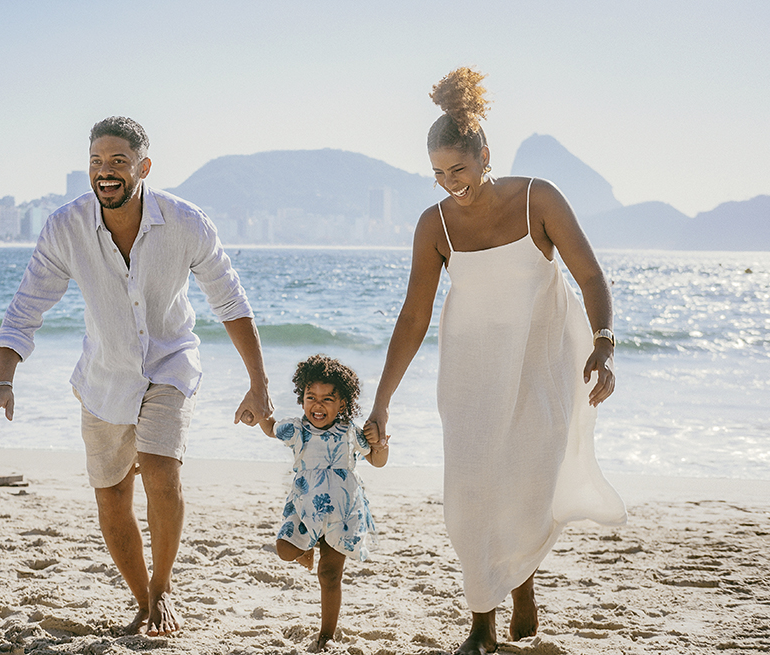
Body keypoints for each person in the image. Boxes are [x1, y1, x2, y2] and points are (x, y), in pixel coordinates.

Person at [0, 116, 273, 637]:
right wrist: (3, 379)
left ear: (143, 167)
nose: (105, 173)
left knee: (161, 471)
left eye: (118, 162)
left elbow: (229, 301)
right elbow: (26, 307)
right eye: (96, 162)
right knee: (111, 495)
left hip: (170, 363)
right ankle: (143, 601)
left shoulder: (186, 222)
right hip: (105, 375)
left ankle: (163, 589)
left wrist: (259, 385)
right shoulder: (64, 227)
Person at [365, 68, 627, 655]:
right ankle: (482, 620)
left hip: (542, 364)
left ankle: (521, 589)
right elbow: (413, 317)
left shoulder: (538, 198)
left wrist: (603, 344)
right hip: (471, 372)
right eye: (437, 173)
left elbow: (589, 274)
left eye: (457, 169)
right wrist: (382, 402)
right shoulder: (434, 225)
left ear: (484, 156)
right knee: (471, 491)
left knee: (526, 485)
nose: (449, 183)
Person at [257, 354, 389, 652]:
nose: (318, 404)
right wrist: (257, 408)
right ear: (301, 399)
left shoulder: (350, 431)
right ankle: (307, 546)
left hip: (342, 511)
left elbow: (377, 461)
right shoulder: (296, 429)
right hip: (305, 507)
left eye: (328, 399)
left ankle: (326, 634)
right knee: (284, 549)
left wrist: (380, 443)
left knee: (329, 574)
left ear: (343, 404)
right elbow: (269, 427)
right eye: (310, 397)